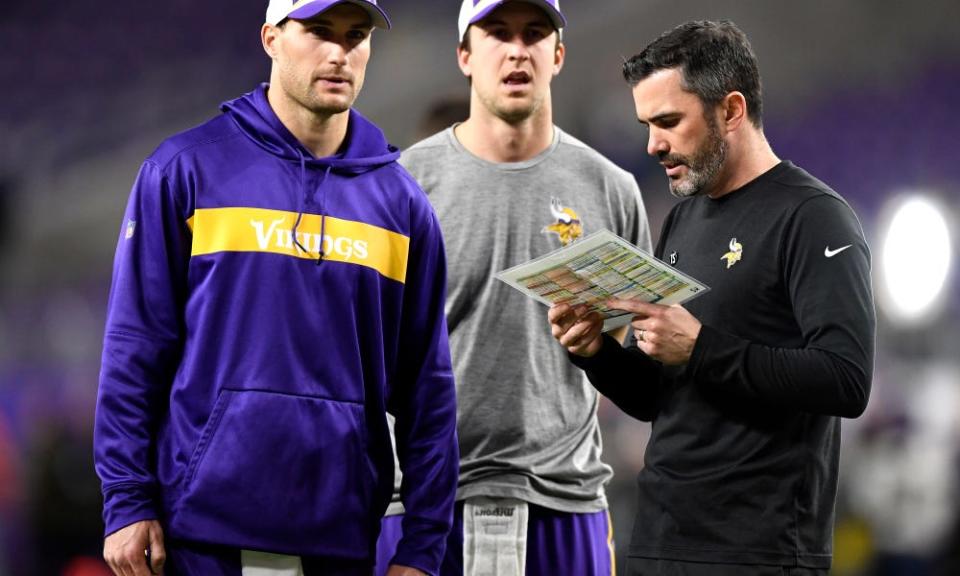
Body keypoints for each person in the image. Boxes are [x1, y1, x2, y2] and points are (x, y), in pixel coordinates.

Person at [93, 1, 459, 575]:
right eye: (318, 31)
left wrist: (423, 547)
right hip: (198, 536)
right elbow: (134, 350)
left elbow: (427, 390)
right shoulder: (183, 171)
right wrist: (125, 500)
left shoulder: (403, 207)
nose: (339, 53)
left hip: (340, 538)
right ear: (270, 39)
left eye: (356, 35)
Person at [548, 20, 876, 576]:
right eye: (647, 124)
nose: (652, 143)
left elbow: (846, 379)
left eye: (669, 121)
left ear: (731, 110)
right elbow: (662, 398)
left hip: (761, 552)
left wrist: (701, 348)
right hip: (659, 541)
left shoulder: (814, 217)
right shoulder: (683, 217)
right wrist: (595, 353)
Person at [376, 1, 652, 574]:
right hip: (425, 505)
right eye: (497, 33)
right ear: (464, 56)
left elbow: (633, 371)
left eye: (534, 34)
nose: (516, 49)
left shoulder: (613, 191)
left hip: (566, 505)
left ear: (558, 54)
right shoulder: (400, 188)